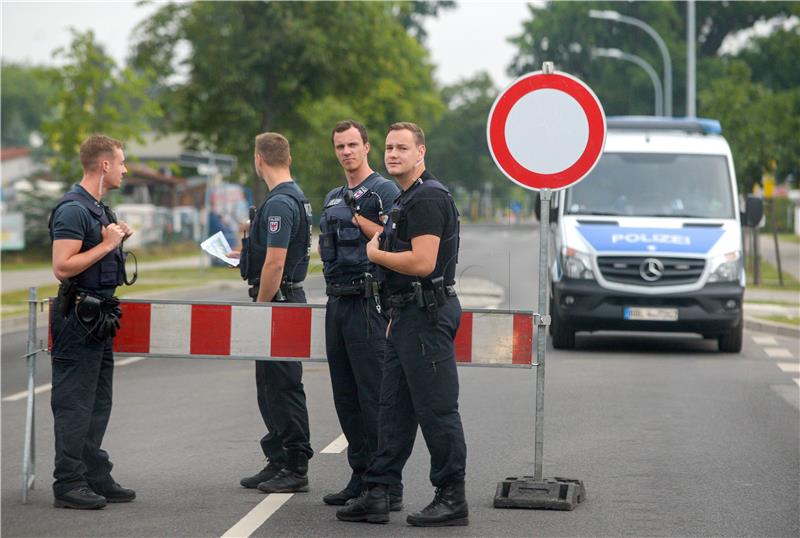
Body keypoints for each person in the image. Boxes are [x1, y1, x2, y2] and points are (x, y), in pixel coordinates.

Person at [336, 122, 468, 526]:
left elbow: (423, 262)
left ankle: (451, 496)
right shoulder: (408, 198)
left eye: (402, 148)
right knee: (392, 408)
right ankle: (379, 492)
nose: (393, 154)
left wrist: (377, 256)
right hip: (406, 315)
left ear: (420, 152)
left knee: (436, 410)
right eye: (390, 148)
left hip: (426, 315)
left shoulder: (427, 197)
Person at [49, 135, 136, 509]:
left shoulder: (100, 209)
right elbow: (62, 266)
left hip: (100, 314)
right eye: (120, 162)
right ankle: (68, 483)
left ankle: (93, 472)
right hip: (78, 317)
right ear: (104, 165)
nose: (124, 169)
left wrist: (116, 238)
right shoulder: (73, 209)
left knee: (99, 401)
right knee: (75, 402)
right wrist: (105, 246)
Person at [319, 120, 402, 509]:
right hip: (337, 300)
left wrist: (357, 219)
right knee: (345, 396)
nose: (347, 152)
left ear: (367, 147)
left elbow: (393, 240)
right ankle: (360, 473)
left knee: (374, 397)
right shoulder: (334, 195)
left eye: (353, 144)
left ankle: (386, 485)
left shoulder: (383, 191)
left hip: (369, 303)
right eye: (340, 146)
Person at [230, 132, 314, 493]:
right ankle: (278, 458)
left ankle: (295, 465)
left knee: (282, 386)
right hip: (280, 299)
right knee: (269, 386)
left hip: (278, 303)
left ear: (258, 159)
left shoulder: (280, 203)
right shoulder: (289, 199)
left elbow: (276, 264)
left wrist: (261, 309)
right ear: (289, 157)